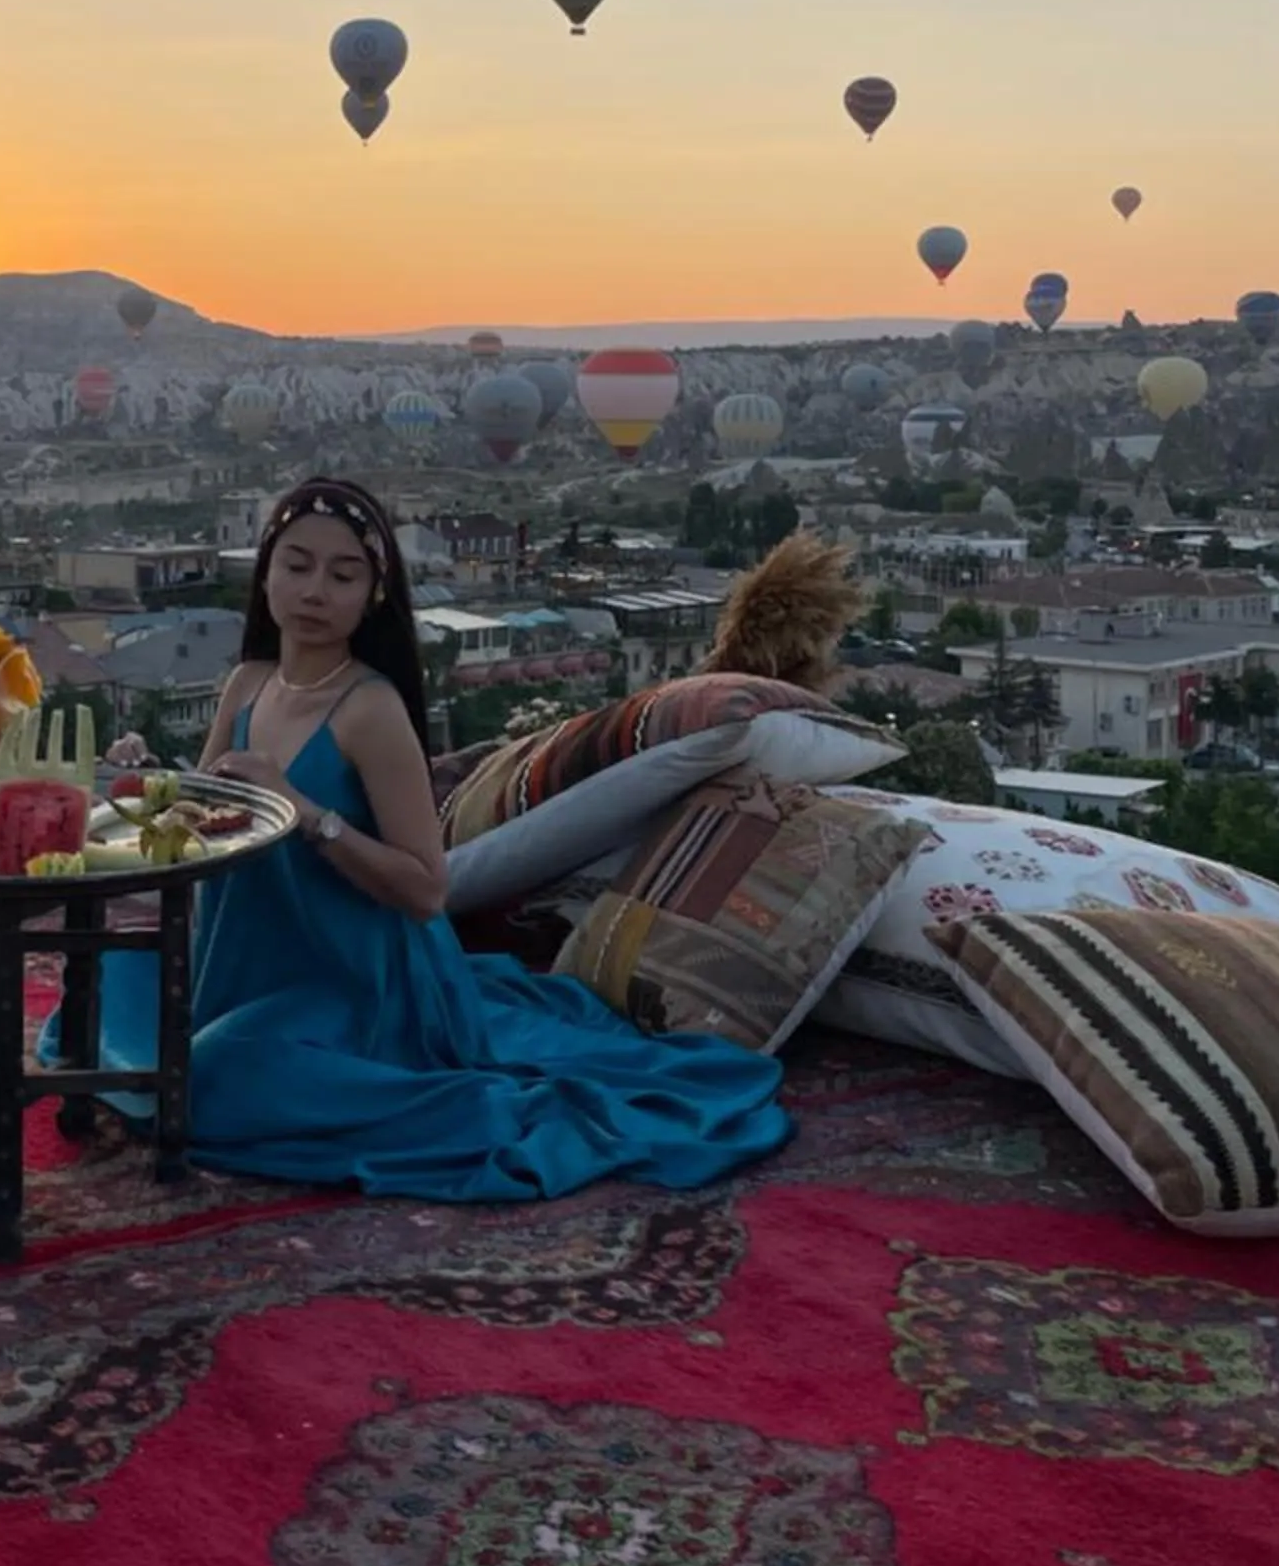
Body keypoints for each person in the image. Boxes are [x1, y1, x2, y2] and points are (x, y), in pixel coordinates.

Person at [43, 478, 790, 1199]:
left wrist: (310, 815)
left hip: (349, 981)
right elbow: (202, 825)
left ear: (372, 594)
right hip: (239, 959)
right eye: (296, 566)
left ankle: (340, 1078)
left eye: (342, 575)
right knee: (92, 998)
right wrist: (140, 778)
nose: (313, 591)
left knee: (206, 1079)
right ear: (265, 572)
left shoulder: (370, 709)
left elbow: (426, 889)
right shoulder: (247, 683)